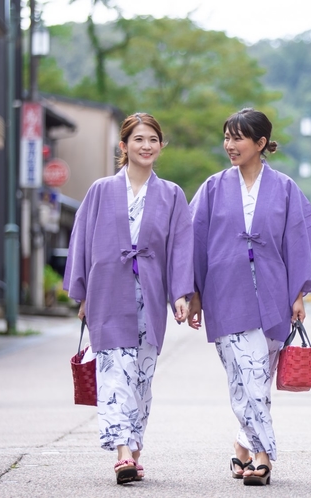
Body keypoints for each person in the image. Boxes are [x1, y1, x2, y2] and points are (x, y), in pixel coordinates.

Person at [188, 108, 311, 486]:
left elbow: (298, 241)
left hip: (273, 296)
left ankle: (241, 447)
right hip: (225, 295)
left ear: (260, 143)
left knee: (255, 381)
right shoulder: (213, 188)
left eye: (238, 138)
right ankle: (263, 456)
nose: (229, 145)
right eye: (227, 137)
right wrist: (194, 292)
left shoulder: (284, 189)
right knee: (244, 376)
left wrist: (298, 294)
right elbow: (193, 242)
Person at [63, 112, 194, 485]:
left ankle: (134, 445)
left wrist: (180, 294)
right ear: (124, 146)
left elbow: (181, 247)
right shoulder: (101, 190)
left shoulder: (171, 194)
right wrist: (83, 293)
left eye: (153, 140)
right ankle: (122, 452)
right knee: (113, 372)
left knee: (141, 376)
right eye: (138, 139)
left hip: (150, 295)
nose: (146, 146)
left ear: (161, 146)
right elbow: (83, 241)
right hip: (108, 291)